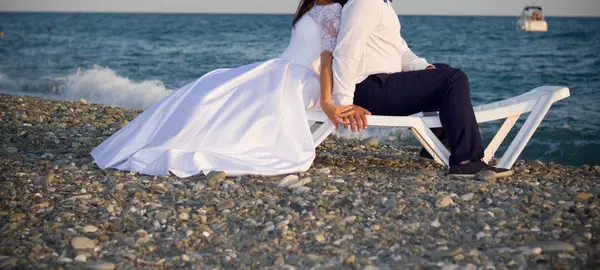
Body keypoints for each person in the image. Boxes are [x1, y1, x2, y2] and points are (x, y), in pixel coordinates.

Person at [91, 0, 352, 177]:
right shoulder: (310, 8)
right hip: (279, 69)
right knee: (211, 85)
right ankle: (170, 136)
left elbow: (328, 60)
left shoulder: (332, 12)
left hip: (299, 79)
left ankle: (202, 141)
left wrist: (328, 102)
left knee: (228, 92)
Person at [330, 0, 513, 178]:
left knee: (443, 70)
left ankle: (435, 145)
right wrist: (344, 103)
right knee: (454, 79)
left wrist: (424, 67)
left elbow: (400, 50)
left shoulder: (381, 4)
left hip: (380, 84)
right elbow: (345, 53)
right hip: (368, 91)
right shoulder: (365, 3)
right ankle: (467, 162)